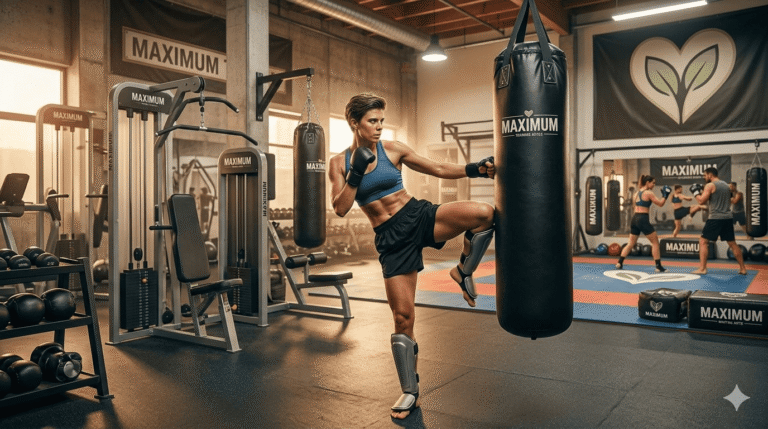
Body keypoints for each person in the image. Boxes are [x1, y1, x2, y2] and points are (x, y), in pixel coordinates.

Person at [328, 93, 495, 419]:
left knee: (485, 213)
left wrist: (473, 169)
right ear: (354, 123)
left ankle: (462, 270)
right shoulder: (339, 163)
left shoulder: (393, 148)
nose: (378, 127)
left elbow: (437, 167)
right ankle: (410, 392)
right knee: (403, 319)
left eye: (381, 121)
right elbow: (341, 207)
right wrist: (356, 173)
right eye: (371, 121)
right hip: (391, 239)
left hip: (417, 216)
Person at [690, 168, 747, 275]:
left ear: (710, 175)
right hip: (727, 218)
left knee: (703, 241)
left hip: (715, 218)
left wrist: (695, 192)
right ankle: (743, 268)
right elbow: (729, 200)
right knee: (733, 244)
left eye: (705, 175)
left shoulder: (710, 185)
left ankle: (702, 269)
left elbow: (701, 200)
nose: (704, 177)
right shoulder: (726, 185)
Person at [615, 175, 669, 272]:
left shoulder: (636, 193)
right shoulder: (648, 193)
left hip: (634, 218)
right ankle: (658, 266)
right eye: (653, 183)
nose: (654, 185)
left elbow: (633, 207)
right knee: (655, 242)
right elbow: (660, 204)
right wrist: (665, 195)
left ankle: (619, 262)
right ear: (647, 183)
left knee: (630, 243)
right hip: (643, 218)